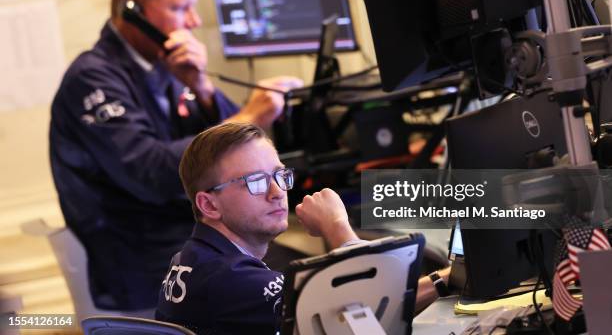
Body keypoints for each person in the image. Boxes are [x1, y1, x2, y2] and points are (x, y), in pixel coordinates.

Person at [49, 0, 301, 313]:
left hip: (197, 249)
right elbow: (151, 174)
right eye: (179, 8)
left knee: (295, 282)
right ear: (132, 12)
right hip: (148, 268)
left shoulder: (164, 67)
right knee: (297, 296)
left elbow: (230, 153)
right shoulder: (93, 79)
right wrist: (251, 116)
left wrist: (203, 89)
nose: (194, 21)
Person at [156, 122, 450, 334]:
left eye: (279, 175)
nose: (276, 191)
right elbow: (368, 319)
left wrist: (446, 279)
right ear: (209, 205)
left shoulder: (199, 259)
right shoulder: (229, 279)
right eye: (255, 182)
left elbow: (356, 305)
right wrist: (337, 226)